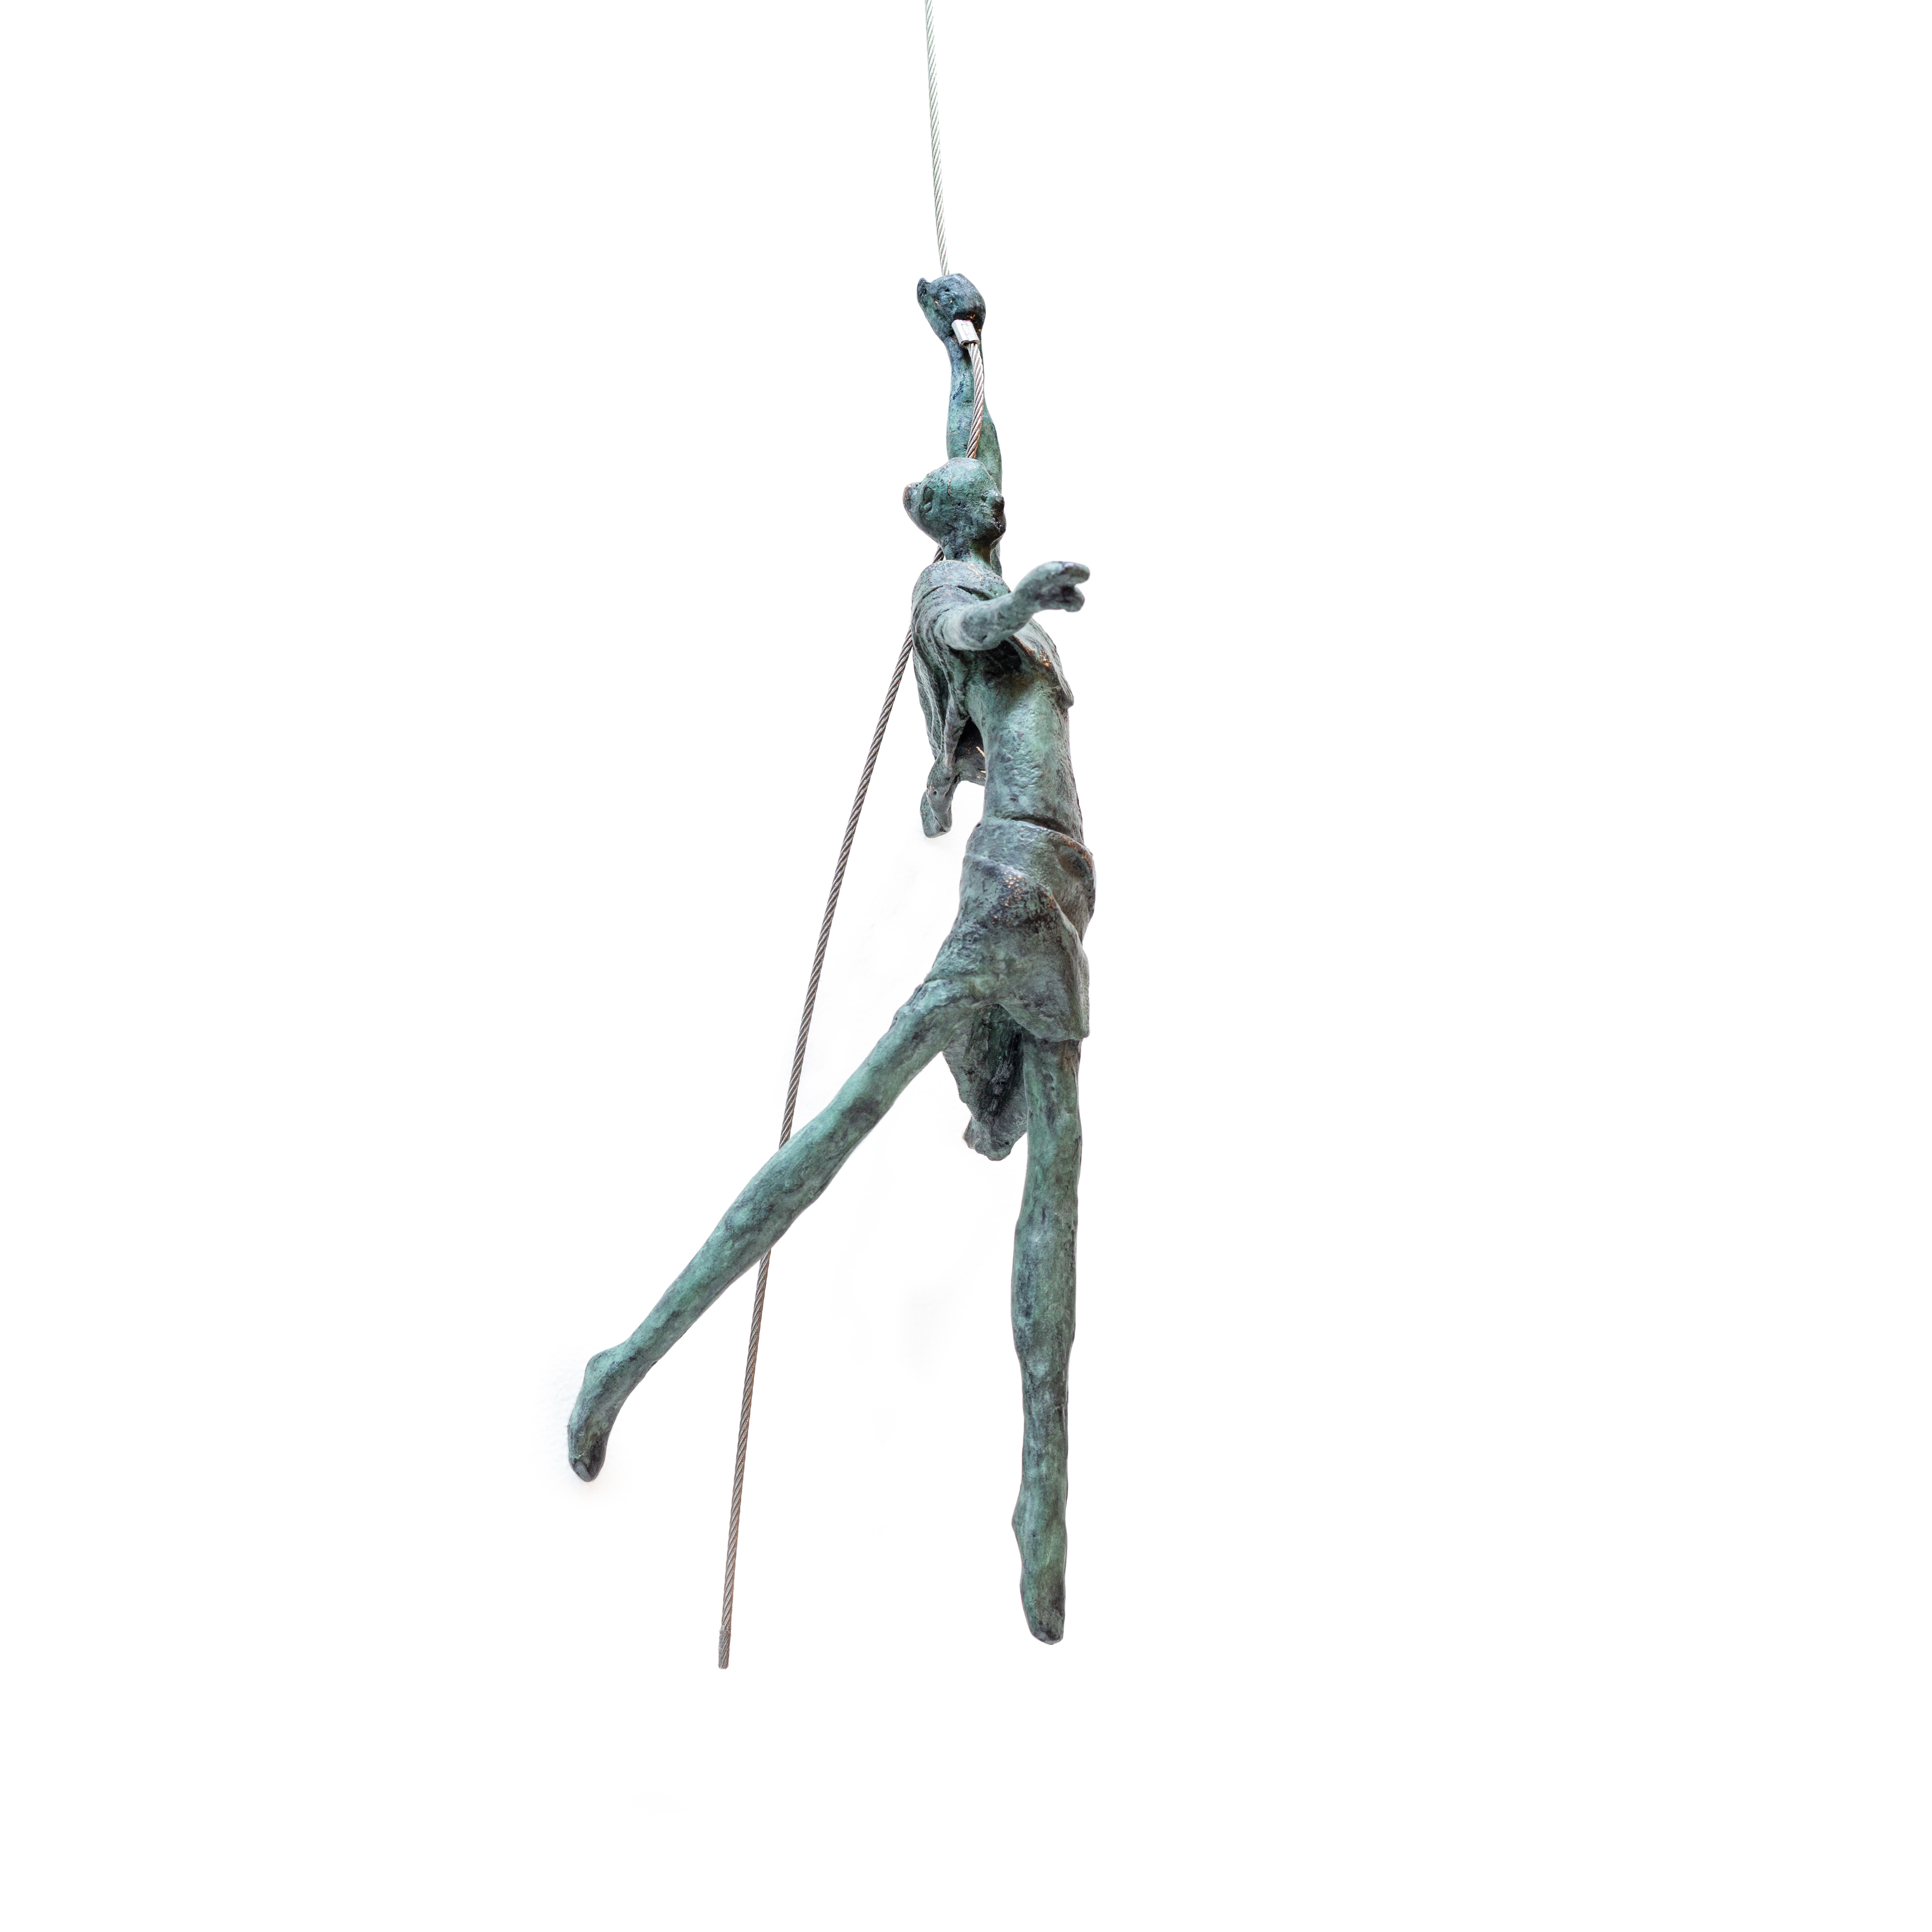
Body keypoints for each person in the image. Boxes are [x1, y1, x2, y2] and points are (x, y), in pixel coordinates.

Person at [567, 274, 1094, 1643]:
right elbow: (971, 628)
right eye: (972, 500)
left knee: (1047, 1193)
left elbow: (979, 450)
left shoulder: (978, 539)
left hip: (1058, 900)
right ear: (951, 528)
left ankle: (1041, 1502)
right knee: (841, 1138)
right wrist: (1019, 600)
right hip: (1008, 895)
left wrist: (963, 351)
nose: (984, 490)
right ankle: (625, 1364)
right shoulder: (950, 591)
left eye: (982, 496)